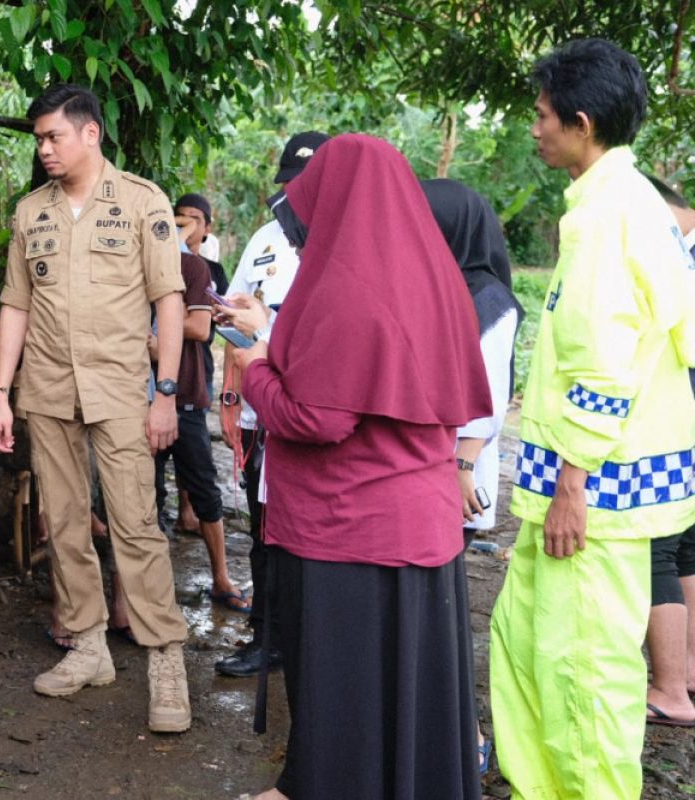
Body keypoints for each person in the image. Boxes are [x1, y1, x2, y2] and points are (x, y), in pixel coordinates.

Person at [239, 134, 490, 800]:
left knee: (345, 693)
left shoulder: (347, 286)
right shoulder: (437, 276)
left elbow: (317, 418)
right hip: (422, 531)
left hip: (349, 530)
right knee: (407, 695)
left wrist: (255, 367)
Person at [489, 39, 695, 799]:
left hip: (597, 494)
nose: (534, 130)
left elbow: (604, 361)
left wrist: (573, 481)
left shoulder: (612, 217)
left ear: (580, 124)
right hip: (583, 492)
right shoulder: (620, 204)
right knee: (525, 652)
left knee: (582, 679)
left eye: (541, 117)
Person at [0, 83, 191, 733]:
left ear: (90, 134)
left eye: (54, 136)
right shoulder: (30, 213)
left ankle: (165, 664)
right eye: (39, 138)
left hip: (122, 389)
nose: (44, 148)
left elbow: (170, 302)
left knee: (135, 526)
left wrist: (165, 393)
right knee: (65, 522)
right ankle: (89, 648)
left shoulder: (142, 202)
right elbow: (14, 306)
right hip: (46, 390)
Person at [213, 131, 328, 678]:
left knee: (308, 534)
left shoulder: (339, 239)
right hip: (262, 409)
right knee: (262, 530)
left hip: (311, 410)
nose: (295, 196)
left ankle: (309, 638)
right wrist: (232, 388)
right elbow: (238, 316)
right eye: (289, 183)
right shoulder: (266, 238)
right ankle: (268, 635)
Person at [421, 177, 524, 773]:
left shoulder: (489, 299)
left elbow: (487, 399)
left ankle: (466, 737)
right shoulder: (441, 287)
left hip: (452, 472)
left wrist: (458, 469)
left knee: (443, 614)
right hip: (426, 470)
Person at [150, 244, 247, 611]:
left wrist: (156, 343)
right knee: (148, 496)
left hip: (186, 396)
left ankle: (221, 578)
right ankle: (152, 590)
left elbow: (199, 325)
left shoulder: (191, 267)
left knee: (204, 488)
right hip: (138, 400)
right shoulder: (127, 263)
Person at [641, 174, 695, 727]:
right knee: (684, 549)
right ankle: (686, 672)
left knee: (658, 548)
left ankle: (671, 688)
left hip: (678, 429)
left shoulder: (678, 257)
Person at [170, 192, 228, 533]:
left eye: (195, 219)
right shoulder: (160, 263)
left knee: (194, 443)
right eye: (180, 217)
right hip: (161, 368)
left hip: (198, 365)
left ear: (207, 228)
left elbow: (211, 322)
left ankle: (191, 507)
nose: (187, 225)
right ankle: (184, 511)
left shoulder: (212, 270)